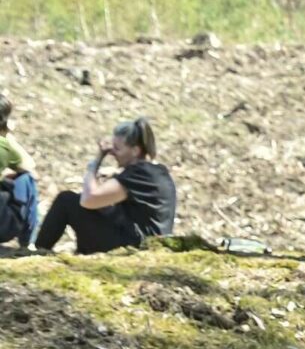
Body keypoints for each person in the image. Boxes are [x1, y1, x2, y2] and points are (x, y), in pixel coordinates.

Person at [34, 119, 176, 255]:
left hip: (137, 246)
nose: (112, 153)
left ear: (135, 151)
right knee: (100, 208)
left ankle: (39, 251)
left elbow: (89, 199)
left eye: (117, 148)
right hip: (144, 241)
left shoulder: (140, 173)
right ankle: (82, 252)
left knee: (66, 201)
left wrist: (94, 165)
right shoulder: (155, 172)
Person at [0, 93, 39, 248]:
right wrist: (6, 135)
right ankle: (28, 244)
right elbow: (29, 165)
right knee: (26, 179)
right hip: (3, 226)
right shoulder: (4, 146)